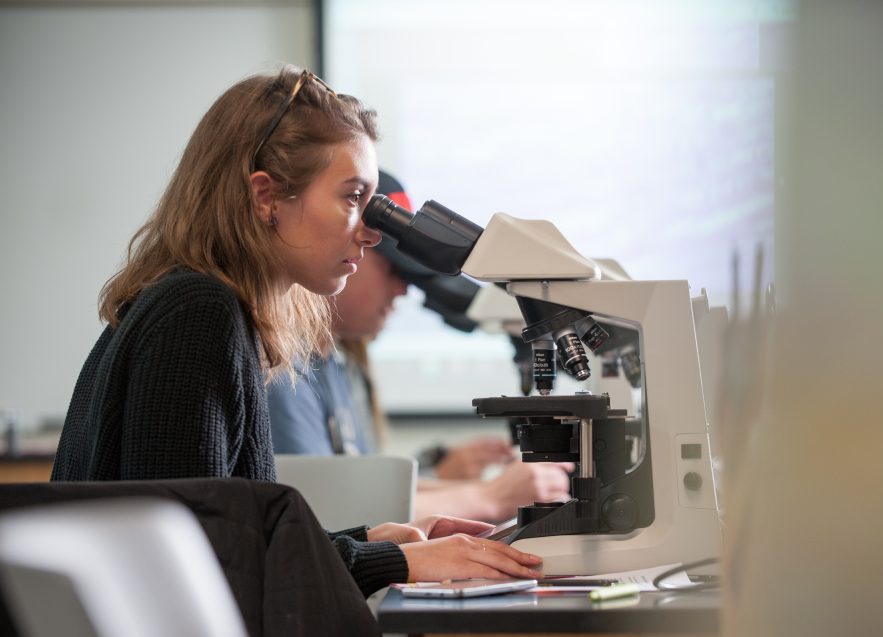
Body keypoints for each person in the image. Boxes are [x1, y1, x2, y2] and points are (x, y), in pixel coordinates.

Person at [50, 66, 544, 599]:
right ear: (267, 197)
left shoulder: (201, 306)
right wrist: (397, 562)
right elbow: (201, 558)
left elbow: (235, 535)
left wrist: (375, 541)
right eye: (354, 197)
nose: (373, 231)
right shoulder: (197, 314)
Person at [267, 171, 574, 522]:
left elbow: (360, 491)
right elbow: (322, 514)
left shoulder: (336, 367)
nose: (403, 291)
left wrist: (476, 486)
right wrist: (488, 497)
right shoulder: (283, 372)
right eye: (395, 272)